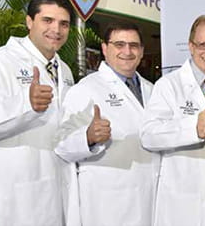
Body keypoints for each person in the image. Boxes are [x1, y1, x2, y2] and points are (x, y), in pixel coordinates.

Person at [0, 0, 74, 225]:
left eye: (64, 24)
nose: (56, 30)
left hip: (58, 183)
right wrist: (25, 104)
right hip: (16, 187)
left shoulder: (65, 71)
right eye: (47, 20)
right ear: (29, 22)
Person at [54, 22, 158, 226]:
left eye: (134, 45)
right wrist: (88, 137)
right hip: (108, 203)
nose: (127, 51)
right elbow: (61, 144)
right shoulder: (86, 89)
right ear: (105, 48)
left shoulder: (152, 90)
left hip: (149, 196)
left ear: (142, 51)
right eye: (119, 44)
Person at [140, 15, 205, 225]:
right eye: (202, 45)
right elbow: (149, 136)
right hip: (185, 197)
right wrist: (192, 130)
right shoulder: (168, 85)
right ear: (190, 45)